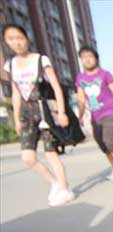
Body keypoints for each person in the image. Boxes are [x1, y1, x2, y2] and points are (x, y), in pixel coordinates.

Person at [2, 24, 74, 206]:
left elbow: (56, 87)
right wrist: (17, 118)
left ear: (27, 38)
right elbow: (16, 92)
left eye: (19, 37)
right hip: (27, 115)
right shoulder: (10, 65)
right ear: (6, 42)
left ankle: (65, 189)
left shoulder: (41, 60)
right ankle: (55, 183)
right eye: (11, 39)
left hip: (45, 113)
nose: (16, 42)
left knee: (51, 154)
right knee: (28, 157)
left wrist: (62, 112)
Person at [76, 46, 113, 180]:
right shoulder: (80, 78)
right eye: (84, 57)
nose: (87, 60)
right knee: (102, 143)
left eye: (90, 56)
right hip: (95, 116)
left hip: (110, 112)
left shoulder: (105, 74)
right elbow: (81, 99)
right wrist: (80, 116)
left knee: (109, 140)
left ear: (96, 58)